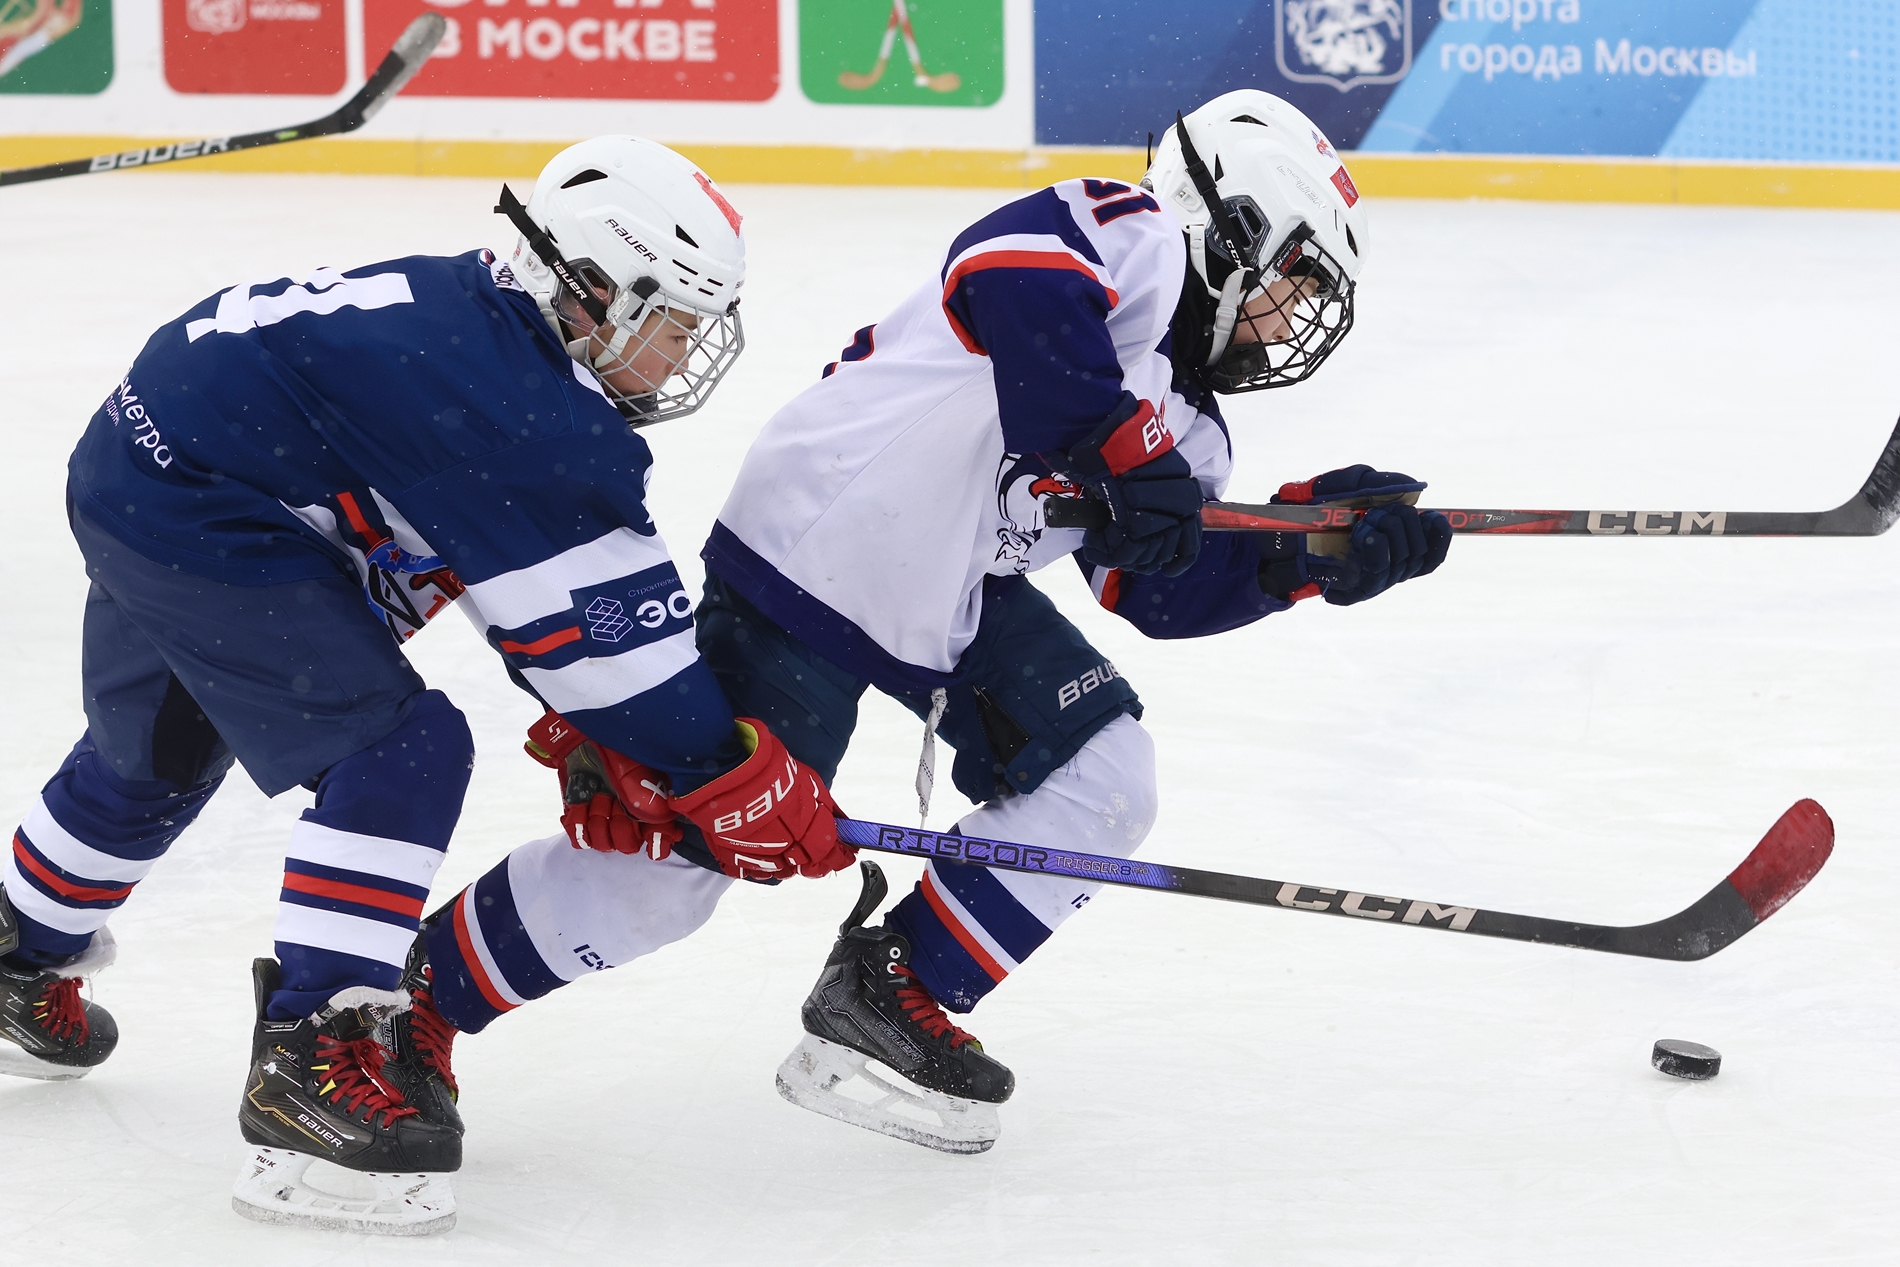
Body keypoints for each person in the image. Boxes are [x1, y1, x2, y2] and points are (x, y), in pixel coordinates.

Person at [408, 88, 1454, 1159]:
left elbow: (1155, 588)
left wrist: (1310, 550)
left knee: (1106, 779)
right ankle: (408, 1006)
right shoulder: (1131, 239)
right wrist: (1114, 446)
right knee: (682, 856)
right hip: (821, 544)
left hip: (948, 589)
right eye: (1297, 276)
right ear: (1232, 229)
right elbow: (1006, 274)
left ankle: (890, 984)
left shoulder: (1192, 422)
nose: (1294, 317)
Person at [0, 136, 850, 1235]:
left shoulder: (473, 323)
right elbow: (608, 652)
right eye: (676, 319)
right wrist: (722, 771)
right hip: (209, 505)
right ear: (594, 293)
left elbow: (519, 590)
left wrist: (612, 724)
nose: (688, 352)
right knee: (403, 749)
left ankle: (21, 947)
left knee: (155, 751)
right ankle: (314, 1057)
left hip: (145, 463)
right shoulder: (521, 406)